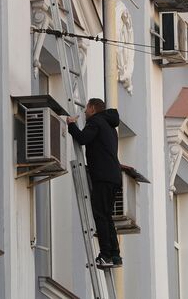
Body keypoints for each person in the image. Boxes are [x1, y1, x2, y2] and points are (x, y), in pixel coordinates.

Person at [66, 98, 122, 268]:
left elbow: (83, 138)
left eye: (86, 109)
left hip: (103, 176)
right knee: (107, 216)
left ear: (92, 108)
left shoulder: (96, 121)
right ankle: (115, 255)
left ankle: (105, 254)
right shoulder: (110, 127)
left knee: (100, 216)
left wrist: (70, 124)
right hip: (113, 176)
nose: (84, 113)